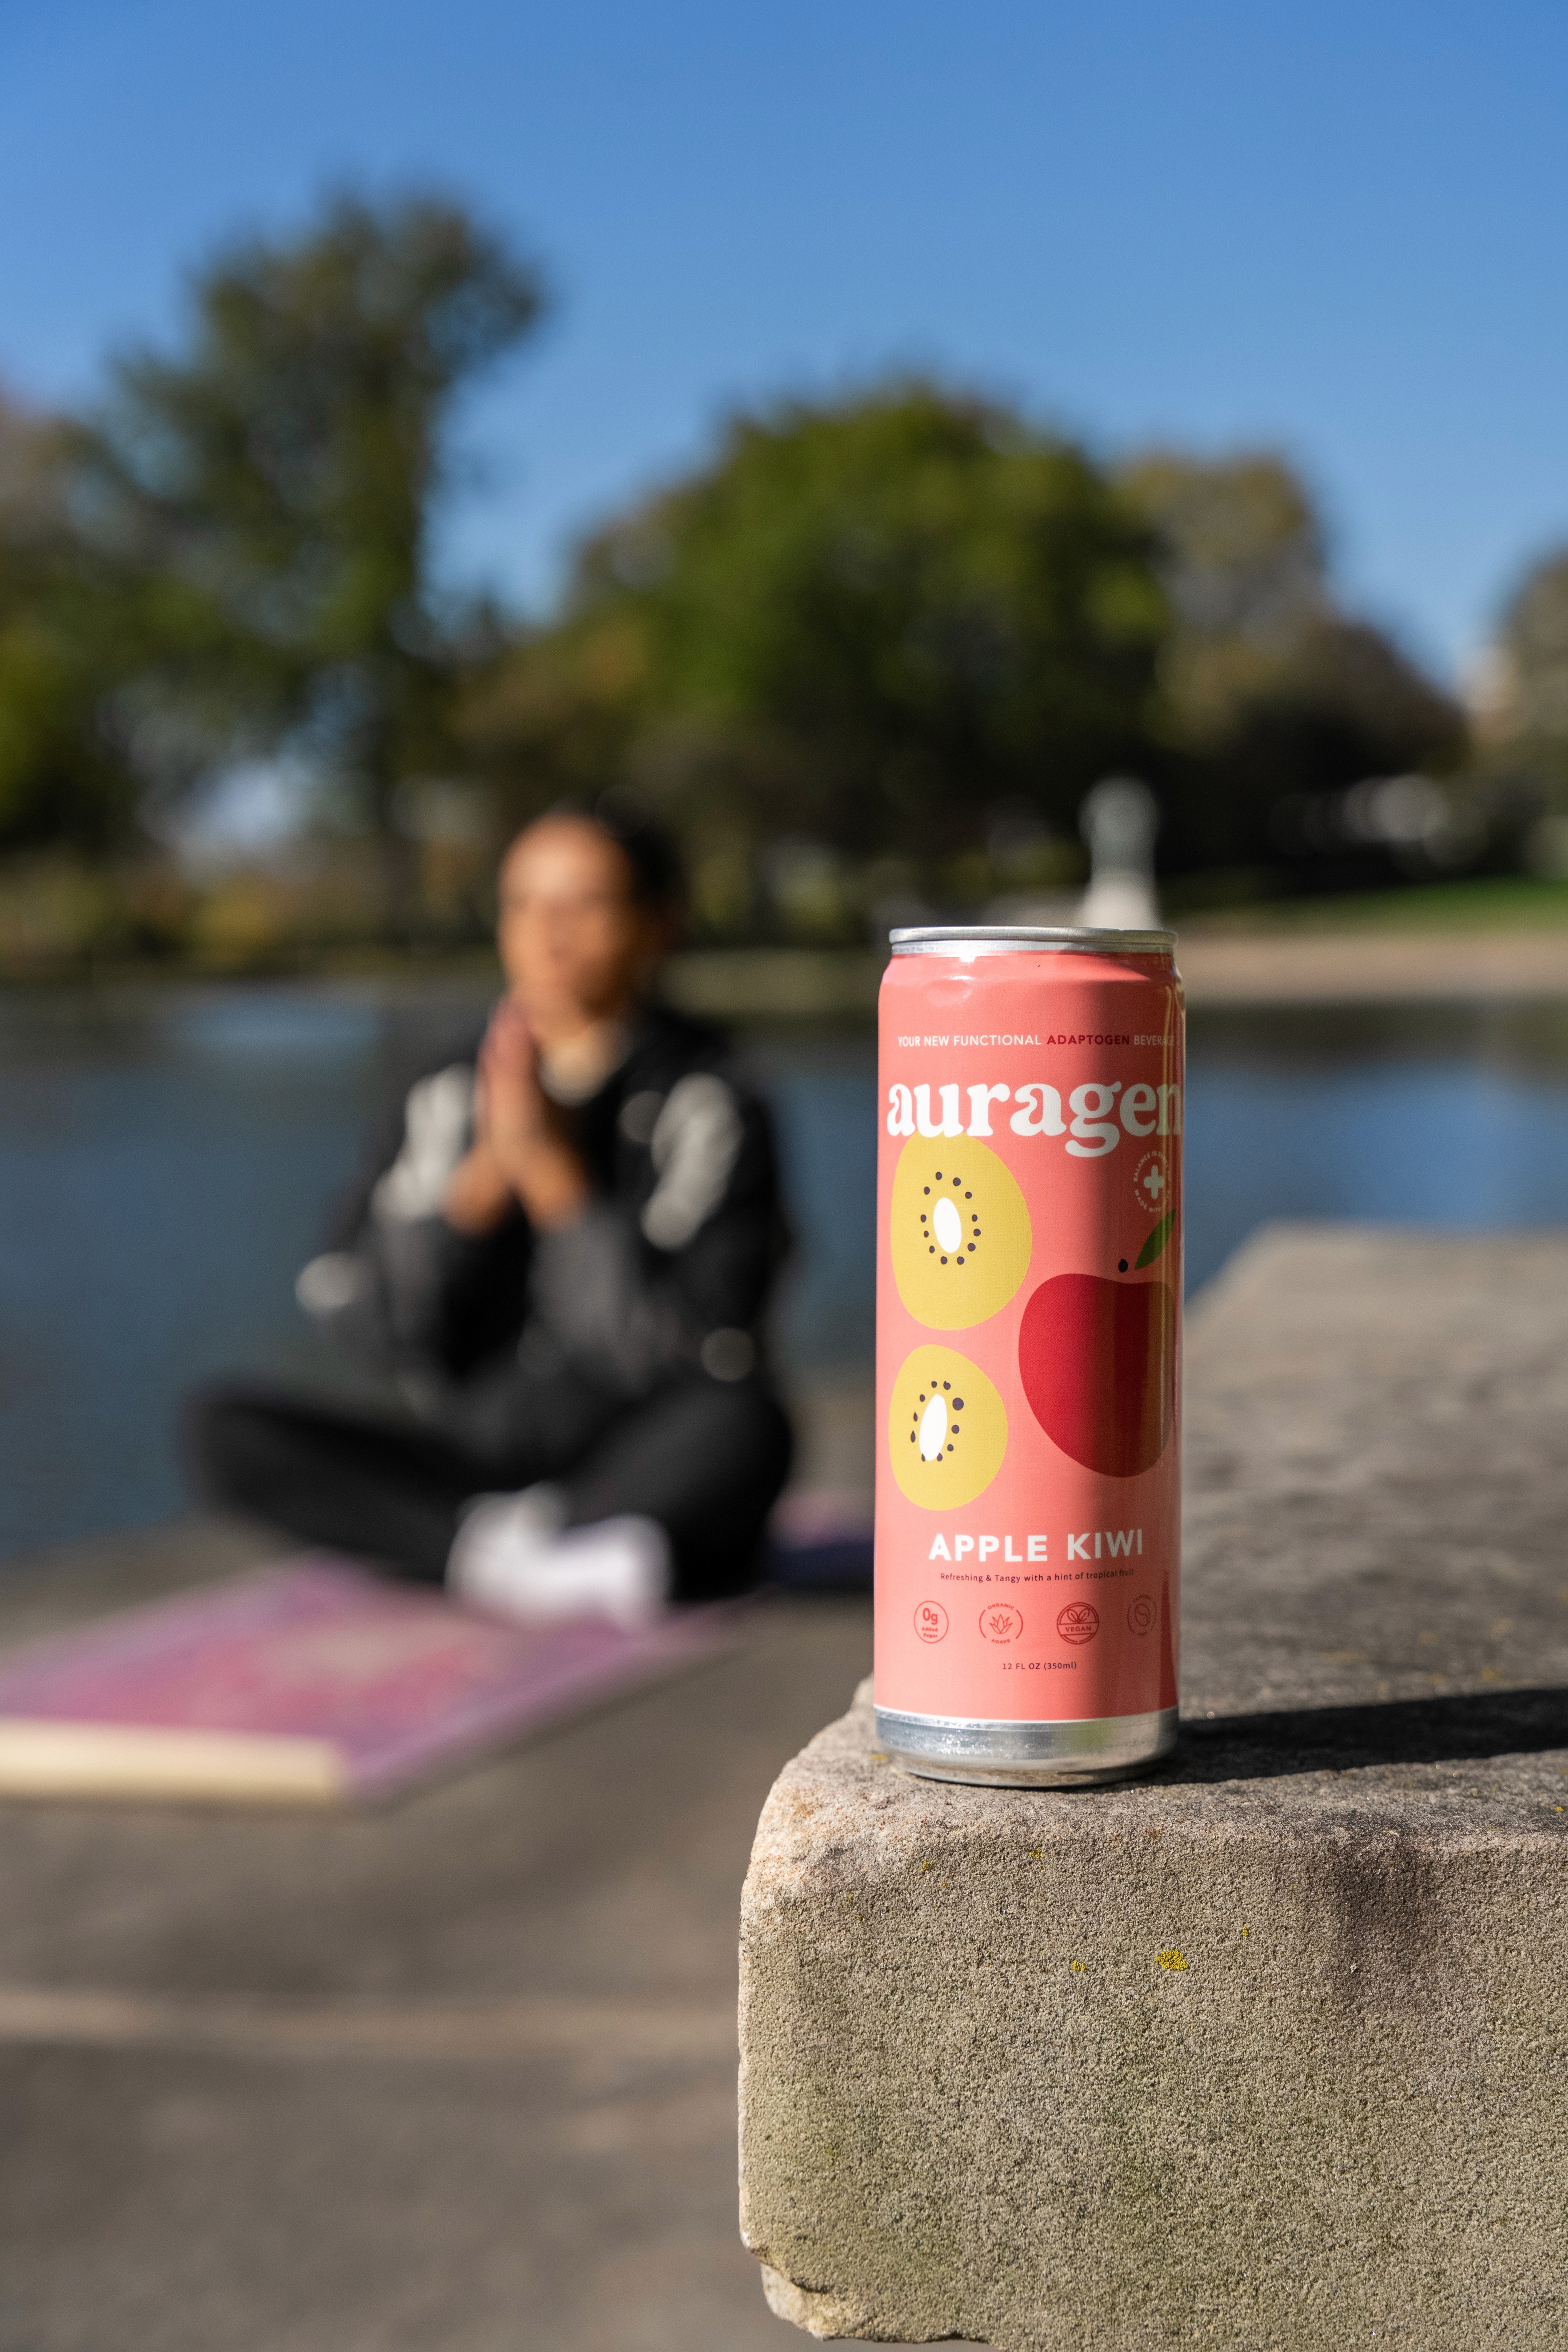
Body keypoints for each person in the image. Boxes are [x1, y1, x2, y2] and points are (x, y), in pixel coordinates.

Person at [184, 802, 793, 1626]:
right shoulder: (449, 1088)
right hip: (474, 1454)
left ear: (658, 923)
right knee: (223, 1429)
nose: (548, 933)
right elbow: (364, 1316)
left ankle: (515, 1549)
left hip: (632, 1452)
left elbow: (690, 1347)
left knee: (747, 1428)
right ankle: (520, 1560)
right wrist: (479, 1186)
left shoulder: (709, 1095)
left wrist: (555, 1180)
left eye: (584, 905)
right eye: (523, 904)